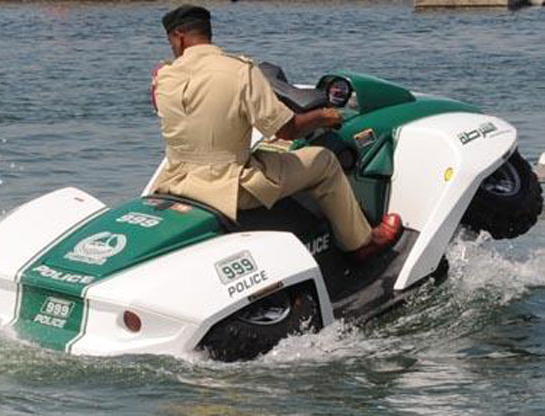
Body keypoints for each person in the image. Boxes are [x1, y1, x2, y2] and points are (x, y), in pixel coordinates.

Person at [150, 4, 401, 262]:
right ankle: (361, 242)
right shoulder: (240, 72)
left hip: (176, 181)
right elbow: (288, 130)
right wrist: (324, 116)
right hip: (229, 188)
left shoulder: (164, 77)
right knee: (325, 162)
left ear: (179, 37)